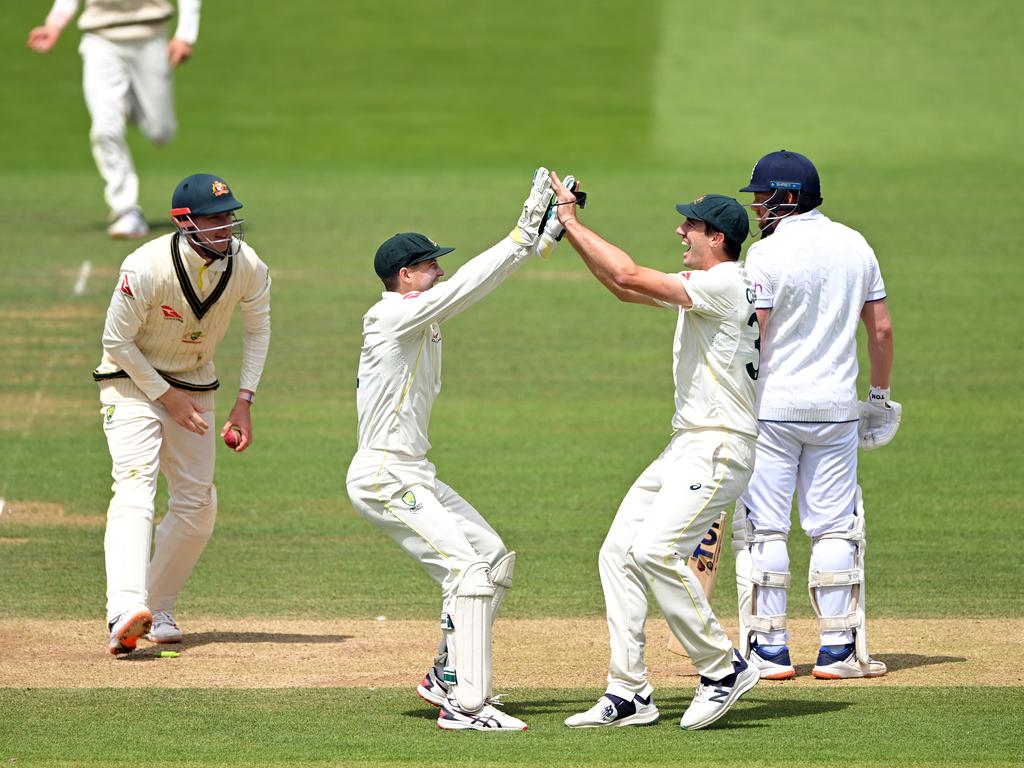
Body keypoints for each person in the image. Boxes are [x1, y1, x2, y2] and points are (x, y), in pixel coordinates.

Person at [346, 168, 561, 732]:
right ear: (405, 276)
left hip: (413, 470)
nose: (439, 271)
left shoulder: (418, 314)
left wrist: (545, 232)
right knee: (465, 571)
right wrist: (519, 235)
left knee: (489, 556)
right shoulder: (393, 315)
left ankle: (445, 672)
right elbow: (467, 285)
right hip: (384, 475)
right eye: (430, 265)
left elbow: (472, 284)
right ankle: (467, 704)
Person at [552, 173, 761, 731]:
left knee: (654, 551)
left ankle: (722, 667)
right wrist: (568, 230)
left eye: (689, 225)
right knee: (617, 552)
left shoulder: (724, 284)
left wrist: (572, 220)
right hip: (687, 444)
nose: (680, 230)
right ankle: (629, 692)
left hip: (719, 445)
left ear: (717, 237)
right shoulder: (707, 288)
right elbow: (623, 288)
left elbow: (626, 272)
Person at [731, 149, 896, 680]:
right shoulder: (857, 244)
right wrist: (878, 398)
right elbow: (882, 331)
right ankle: (838, 649)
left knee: (766, 532)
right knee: (833, 530)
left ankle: (769, 651)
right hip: (836, 411)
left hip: (774, 409)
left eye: (761, 196)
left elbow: (751, 331)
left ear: (786, 197)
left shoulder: (766, 255)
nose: (756, 206)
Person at [94, 173, 271, 655]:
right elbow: (115, 342)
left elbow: (258, 330)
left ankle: (157, 605)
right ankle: (124, 608)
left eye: (229, 216)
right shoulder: (145, 266)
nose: (226, 227)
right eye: (215, 219)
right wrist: (165, 397)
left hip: (196, 382)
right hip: (131, 382)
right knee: (135, 485)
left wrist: (244, 401)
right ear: (184, 222)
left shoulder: (248, 265)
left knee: (198, 505)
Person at [28, 0, 202, 239]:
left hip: (150, 36)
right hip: (101, 39)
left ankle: (127, 102)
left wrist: (185, 35)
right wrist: (54, 25)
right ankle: (126, 209)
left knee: (161, 132)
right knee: (104, 129)